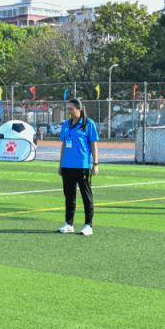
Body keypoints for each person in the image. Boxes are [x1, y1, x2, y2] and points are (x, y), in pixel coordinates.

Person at [58, 98, 99, 236]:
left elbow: (93, 144)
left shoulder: (88, 123)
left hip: (82, 165)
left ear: (79, 109)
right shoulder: (66, 124)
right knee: (69, 196)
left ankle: (88, 225)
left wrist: (95, 164)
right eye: (68, 109)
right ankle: (69, 224)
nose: (69, 111)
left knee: (86, 196)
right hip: (67, 165)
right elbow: (64, 144)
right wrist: (61, 164)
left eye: (71, 109)